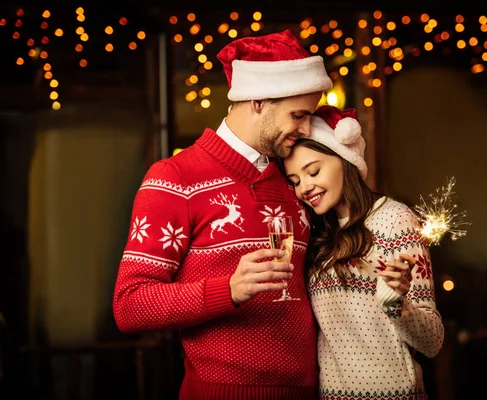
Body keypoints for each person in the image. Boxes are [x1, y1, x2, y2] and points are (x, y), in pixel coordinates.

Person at [112, 30, 333, 399]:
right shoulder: (174, 178)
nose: (307, 129)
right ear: (258, 101)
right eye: (298, 115)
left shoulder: (295, 178)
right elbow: (130, 305)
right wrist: (228, 289)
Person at [283, 106, 445, 400]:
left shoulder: (394, 219)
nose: (305, 187)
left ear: (345, 160)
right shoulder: (316, 234)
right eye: (294, 181)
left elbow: (432, 341)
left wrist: (396, 305)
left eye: (313, 171)